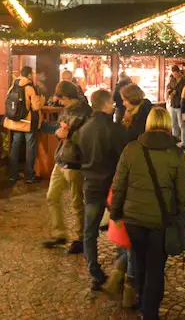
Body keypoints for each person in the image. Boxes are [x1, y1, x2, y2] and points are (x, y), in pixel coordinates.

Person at [109, 107, 185, 320]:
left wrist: (116, 212)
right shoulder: (176, 154)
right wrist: (182, 217)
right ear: (168, 124)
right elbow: (182, 191)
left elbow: (119, 184)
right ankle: (150, 311)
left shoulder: (131, 149)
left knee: (139, 261)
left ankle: (143, 299)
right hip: (160, 220)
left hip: (133, 219)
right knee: (156, 266)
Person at [77, 89, 127, 291]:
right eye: (111, 103)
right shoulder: (115, 130)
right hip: (112, 186)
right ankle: (121, 267)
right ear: (106, 104)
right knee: (122, 227)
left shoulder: (84, 129)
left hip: (91, 184)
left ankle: (94, 272)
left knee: (90, 231)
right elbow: (123, 159)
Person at [43, 81, 93, 254]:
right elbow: (61, 129)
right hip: (61, 158)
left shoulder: (86, 112)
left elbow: (89, 138)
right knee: (52, 196)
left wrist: (69, 134)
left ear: (67, 97)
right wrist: (59, 134)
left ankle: (79, 238)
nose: (60, 102)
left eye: (61, 99)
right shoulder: (66, 111)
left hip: (75, 162)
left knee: (77, 202)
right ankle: (59, 234)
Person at [7, 66, 42, 183]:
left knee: (15, 146)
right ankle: (30, 176)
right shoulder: (30, 87)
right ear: (29, 75)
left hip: (15, 121)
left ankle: (13, 174)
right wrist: (41, 101)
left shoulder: (13, 86)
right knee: (30, 147)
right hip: (27, 123)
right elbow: (36, 107)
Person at [166, 65, 185, 146]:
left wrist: (176, 92)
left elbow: (184, 92)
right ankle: (174, 141)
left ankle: (183, 143)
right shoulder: (172, 80)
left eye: (175, 74)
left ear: (179, 72)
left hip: (180, 106)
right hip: (173, 104)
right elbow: (168, 87)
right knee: (173, 124)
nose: (174, 76)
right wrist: (170, 91)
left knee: (182, 125)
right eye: (173, 74)